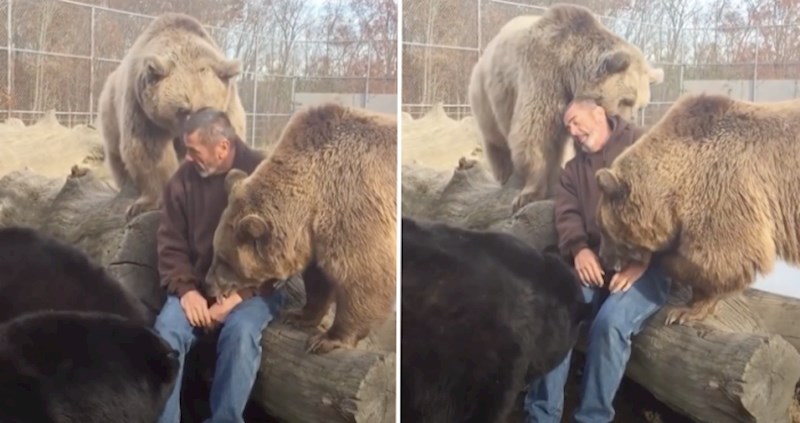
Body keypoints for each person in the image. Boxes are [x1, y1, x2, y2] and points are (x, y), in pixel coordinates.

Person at [523, 96, 672, 423]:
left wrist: (642, 259)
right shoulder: (573, 171)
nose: (573, 131)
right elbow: (567, 214)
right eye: (568, 127)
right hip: (597, 263)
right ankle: (541, 415)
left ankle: (592, 417)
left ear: (599, 113)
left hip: (648, 268)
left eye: (577, 121)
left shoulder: (643, 147)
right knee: (558, 309)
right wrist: (580, 249)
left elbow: (665, 211)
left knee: (610, 323)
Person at [153, 107, 286, 423]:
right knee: (166, 332)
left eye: (193, 150)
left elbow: (280, 254)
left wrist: (238, 297)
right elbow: (171, 246)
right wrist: (186, 292)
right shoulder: (181, 182)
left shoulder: (264, 176)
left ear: (222, 147)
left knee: (240, 334)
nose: (187, 158)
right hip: (198, 286)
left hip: (253, 290)